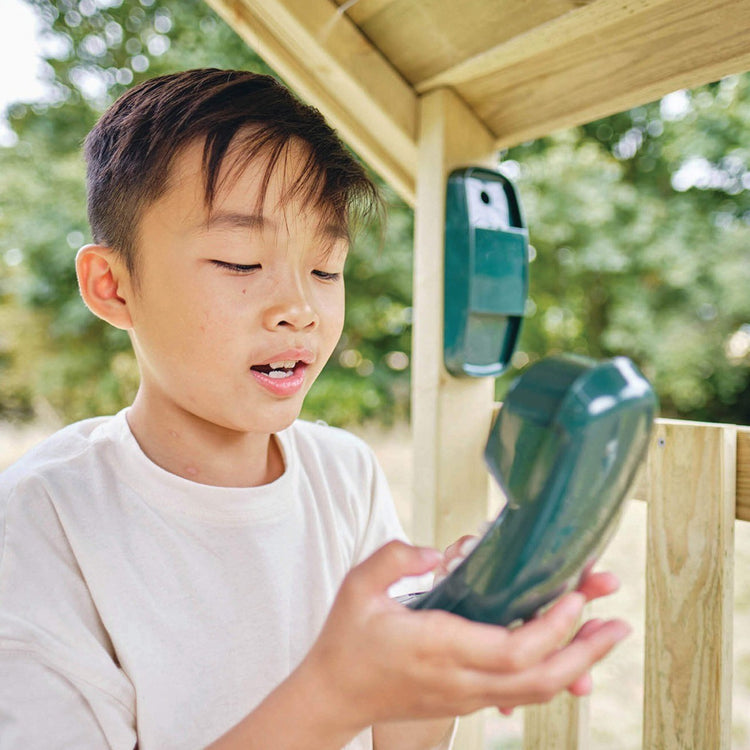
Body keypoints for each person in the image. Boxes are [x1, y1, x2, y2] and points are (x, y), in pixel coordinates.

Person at [0, 68, 629, 750]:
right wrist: (337, 692)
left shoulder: (344, 474)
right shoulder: (41, 522)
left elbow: (398, 740)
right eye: (241, 262)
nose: (299, 308)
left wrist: (441, 645)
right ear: (112, 286)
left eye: (327, 269)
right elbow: (345, 697)